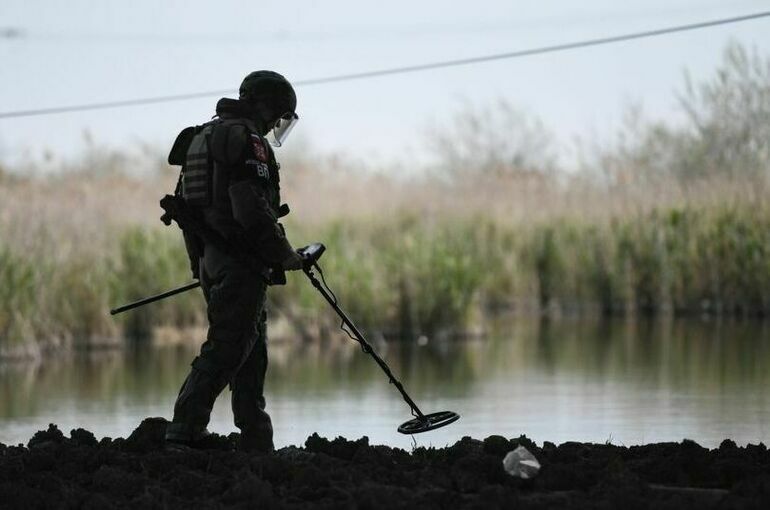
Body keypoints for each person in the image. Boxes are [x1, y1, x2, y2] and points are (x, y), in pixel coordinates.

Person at [164, 70, 303, 453]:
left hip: (214, 259)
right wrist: (284, 254)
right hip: (239, 262)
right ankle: (186, 427)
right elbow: (248, 207)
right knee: (229, 346)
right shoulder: (246, 139)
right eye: (277, 114)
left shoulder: (201, 138)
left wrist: (201, 266)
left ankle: (256, 439)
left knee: (250, 349)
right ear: (264, 106)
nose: (276, 123)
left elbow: (189, 212)